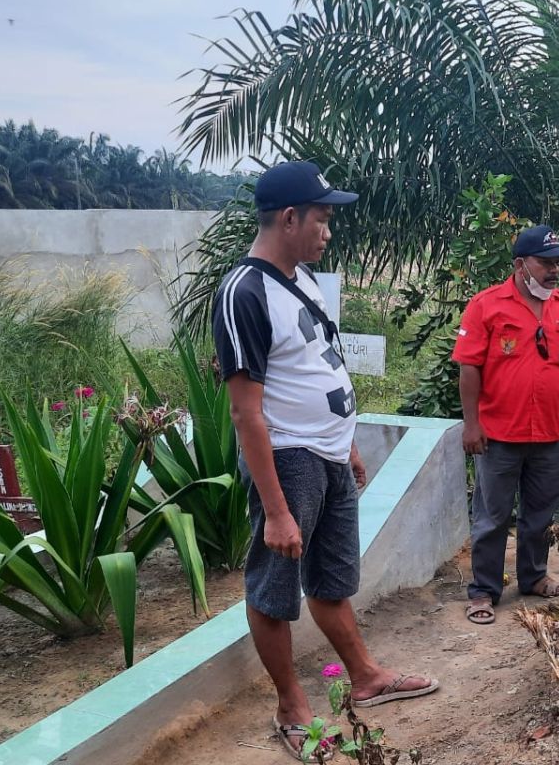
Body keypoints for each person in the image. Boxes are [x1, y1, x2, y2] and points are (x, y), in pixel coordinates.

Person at [212, 161, 437, 762]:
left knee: (332, 580)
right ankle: (291, 708)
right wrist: (279, 512)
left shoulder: (303, 279)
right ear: (289, 218)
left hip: (330, 456)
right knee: (272, 589)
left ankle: (364, 675)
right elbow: (245, 413)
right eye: (322, 219)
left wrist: (349, 443)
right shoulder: (244, 292)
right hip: (287, 462)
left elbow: (320, 366)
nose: (327, 231)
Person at [452, 224, 559, 624]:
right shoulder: (486, 305)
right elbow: (469, 368)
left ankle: (533, 577)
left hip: (549, 434)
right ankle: (483, 591)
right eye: (546, 263)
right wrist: (471, 425)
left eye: (558, 264)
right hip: (498, 434)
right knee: (492, 516)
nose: (554, 271)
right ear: (520, 264)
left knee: (540, 513)